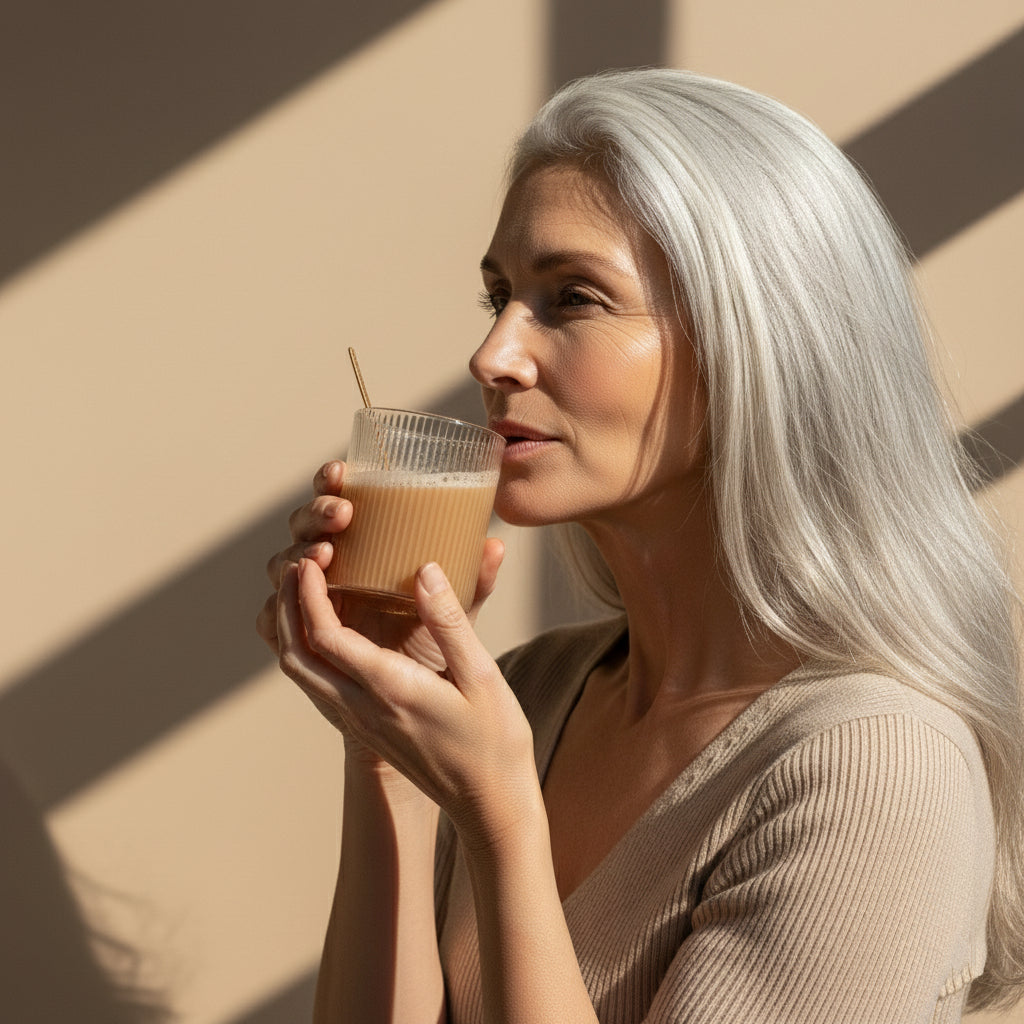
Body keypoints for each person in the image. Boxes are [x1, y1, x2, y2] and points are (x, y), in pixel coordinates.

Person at [256, 69, 1024, 1023]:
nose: (493, 356)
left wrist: (500, 814)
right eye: (497, 295)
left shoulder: (873, 765)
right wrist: (385, 749)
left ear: (758, 337)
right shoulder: (526, 696)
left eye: (571, 297)